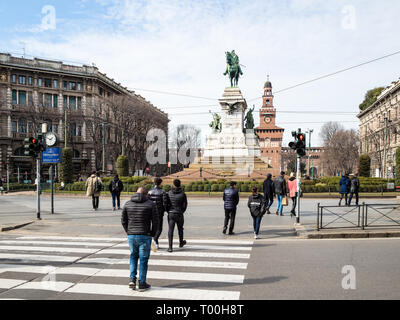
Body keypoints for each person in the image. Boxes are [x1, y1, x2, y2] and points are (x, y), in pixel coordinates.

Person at [121, 187, 158, 292]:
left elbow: (123, 220)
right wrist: (153, 233)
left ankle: (132, 279)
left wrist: (128, 231)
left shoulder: (127, 204)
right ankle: (142, 283)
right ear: (146, 194)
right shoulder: (151, 204)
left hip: (132, 235)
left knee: (133, 256)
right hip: (145, 235)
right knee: (143, 260)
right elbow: (156, 221)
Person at [164, 179, 188, 253]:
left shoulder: (169, 193)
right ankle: (181, 242)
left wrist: (168, 210)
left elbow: (166, 203)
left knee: (170, 230)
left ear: (173, 185)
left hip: (171, 213)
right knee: (180, 229)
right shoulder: (183, 194)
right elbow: (185, 205)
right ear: (180, 185)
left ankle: (170, 247)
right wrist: (182, 211)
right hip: (179, 213)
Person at [149, 177, 168, 249]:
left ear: (154, 183)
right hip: (159, 211)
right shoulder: (162, 191)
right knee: (159, 227)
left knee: (153, 226)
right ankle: (155, 239)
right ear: (160, 183)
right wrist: (165, 210)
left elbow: (148, 201)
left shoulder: (150, 191)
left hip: (151, 211)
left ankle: (154, 241)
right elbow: (165, 202)